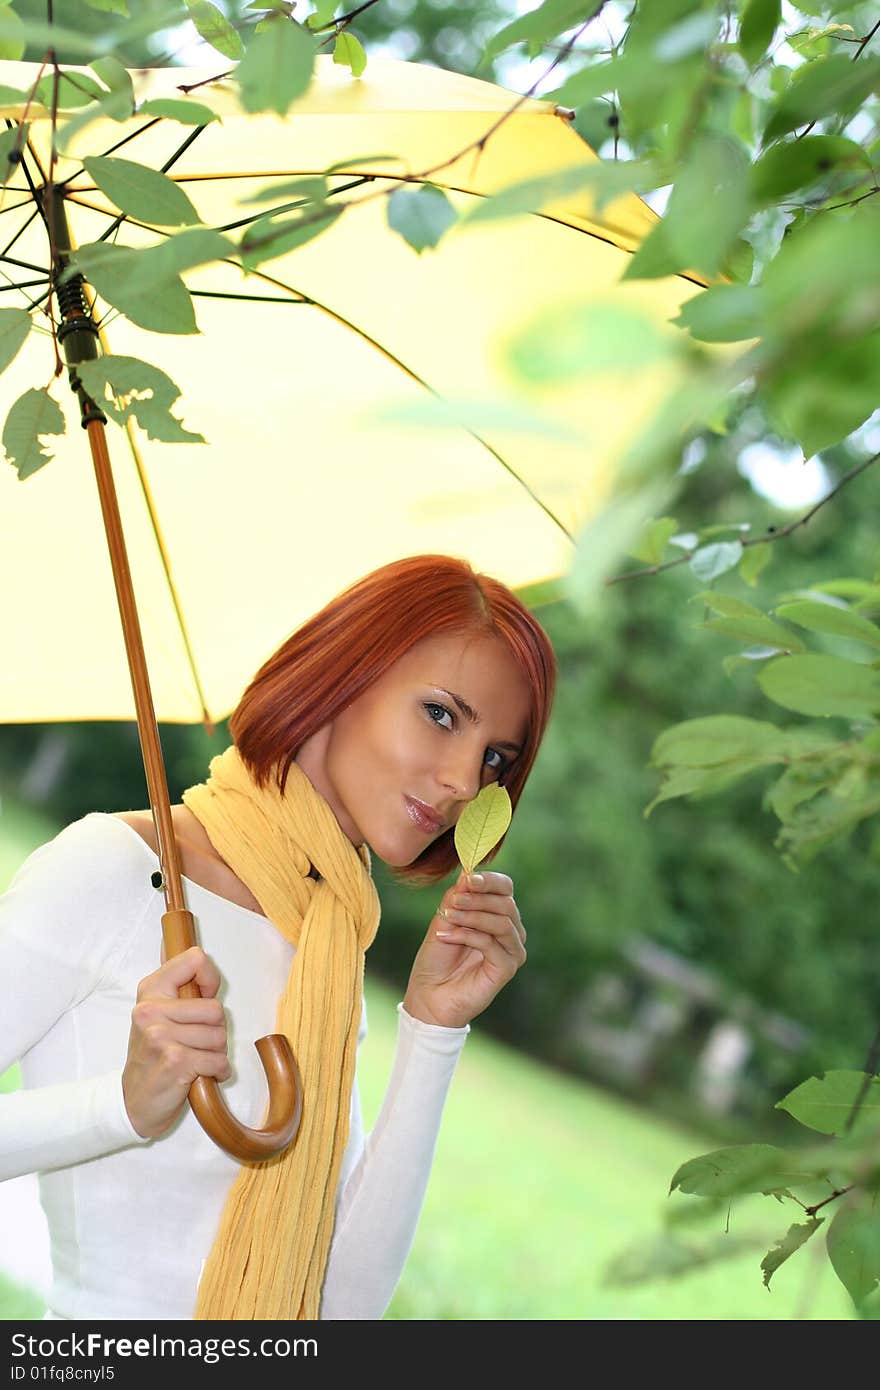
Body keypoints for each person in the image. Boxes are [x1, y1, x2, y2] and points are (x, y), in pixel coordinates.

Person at [0, 554, 557, 1321]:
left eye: (497, 757)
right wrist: (122, 1106)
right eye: (440, 714)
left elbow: (343, 1308)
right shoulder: (113, 871)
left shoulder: (324, 939)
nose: (468, 780)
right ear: (342, 675)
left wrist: (434, 1029)